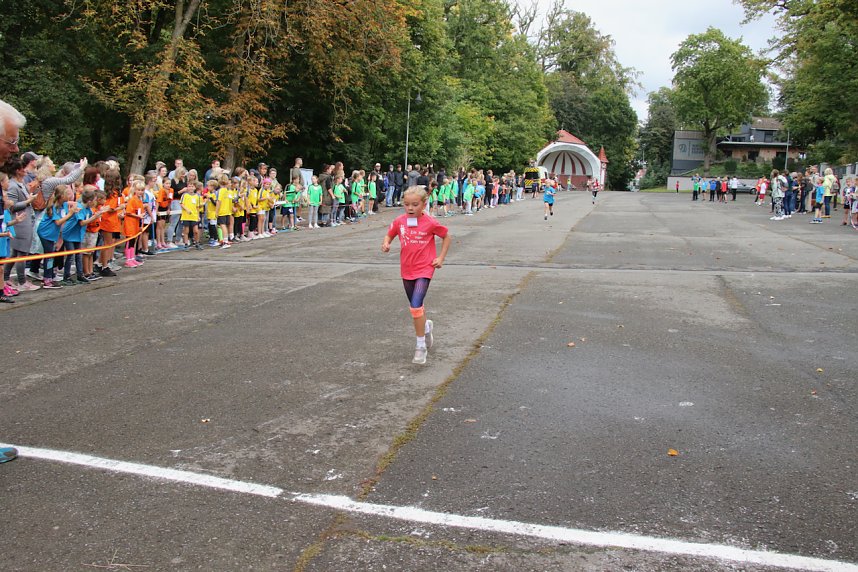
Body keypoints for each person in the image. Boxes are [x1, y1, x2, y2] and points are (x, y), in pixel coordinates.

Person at [381, 185, 451, 365]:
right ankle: (426, 327)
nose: (410, 208)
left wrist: (440, 258)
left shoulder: (431, 222)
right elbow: (390, 235)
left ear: (424, 204)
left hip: (425, 268)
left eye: (414, 204)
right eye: (406, 205)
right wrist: (386, 244)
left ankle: (420, 347)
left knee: (415, 306)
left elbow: (446, 237)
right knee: (417, 308)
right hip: (407, 269)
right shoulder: (400, 221)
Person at [180, 181, 203, 248]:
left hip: (194, 216)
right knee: (186, 231)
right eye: (189, 186)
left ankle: (196, 243)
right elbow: (181, 204)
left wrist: (198, 216)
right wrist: (187, 209)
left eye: (192, 186)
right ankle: (186, 244)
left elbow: (197, 207)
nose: (191, 188)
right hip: (186, 216)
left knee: (196, 231)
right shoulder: (184, 195)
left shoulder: (197, 196)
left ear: (195, 187)